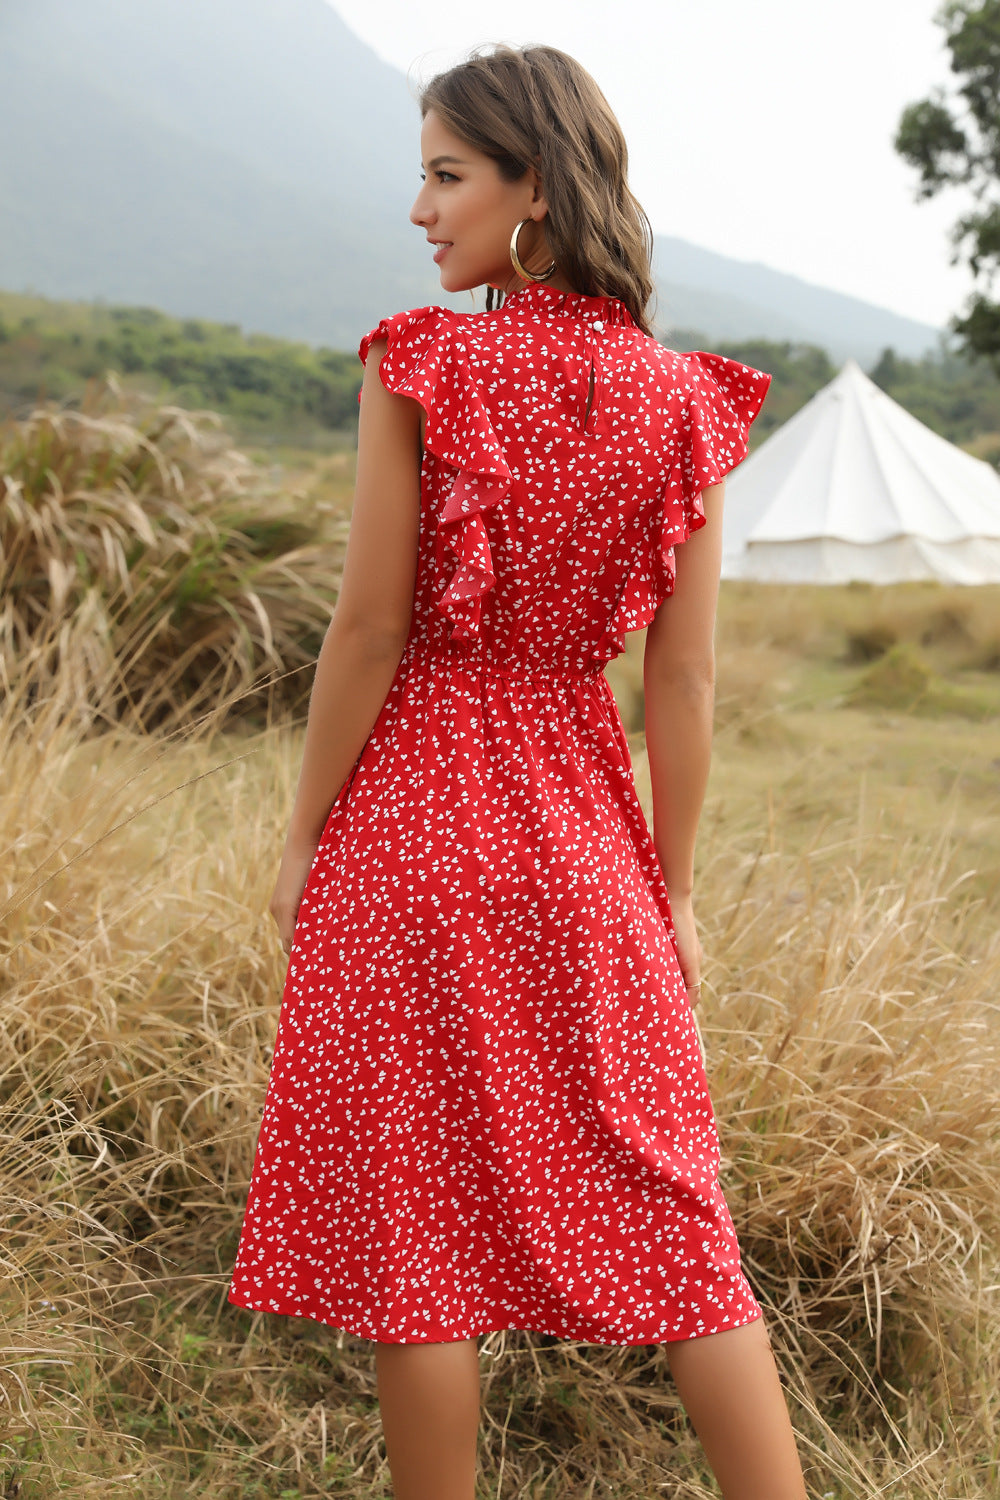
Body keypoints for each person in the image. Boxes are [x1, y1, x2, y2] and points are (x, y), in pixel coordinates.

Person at [228, 42, 807, 1500]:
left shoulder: (421, 364)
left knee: (419, 1251)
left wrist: (304, 835)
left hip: (412, 826)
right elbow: (683, 680)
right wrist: (667, 890)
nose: (419, 209)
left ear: (533, 187)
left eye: (445, 174)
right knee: (683, 1233)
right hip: (584, 839)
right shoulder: (687, 402)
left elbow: (365, 630)